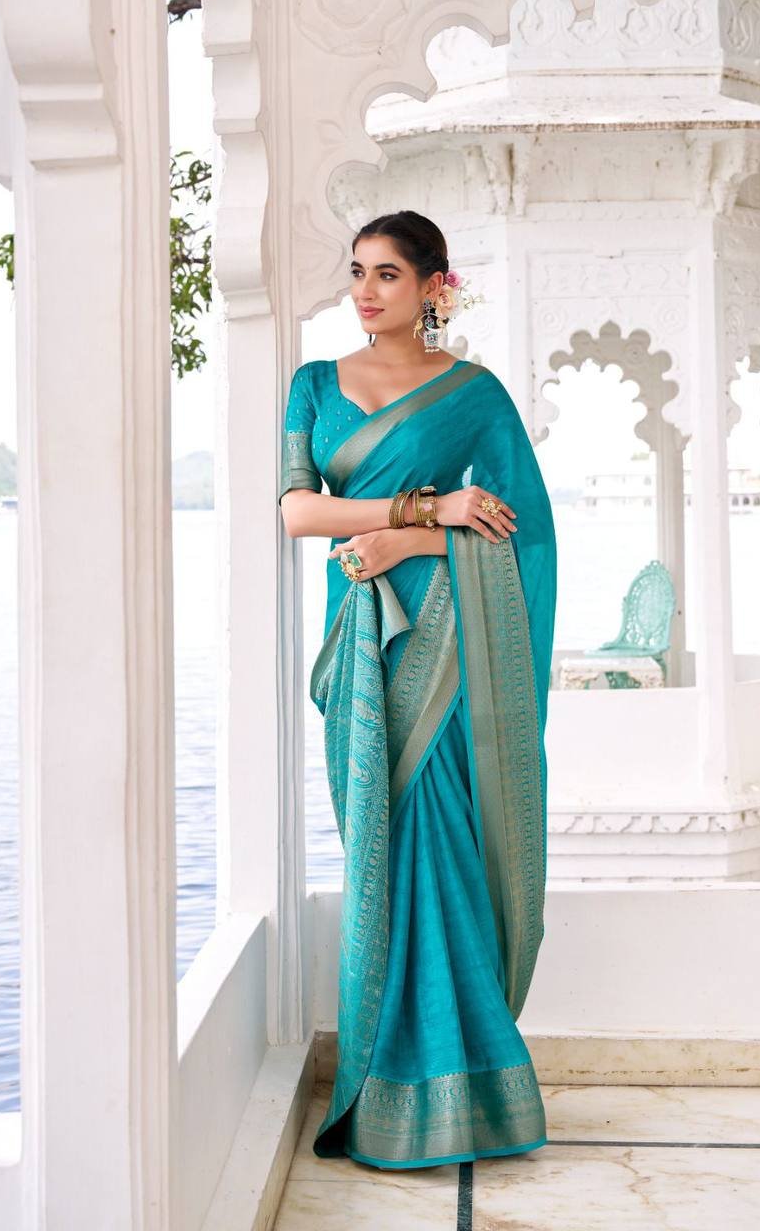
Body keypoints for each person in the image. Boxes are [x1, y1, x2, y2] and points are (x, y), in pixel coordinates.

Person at [278, 209, 557, 1170]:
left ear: (435, 286)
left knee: (430, 840)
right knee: (376, 847)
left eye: (388, 275)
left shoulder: (473, 396)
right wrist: (428, 507)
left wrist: (409, 540)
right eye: (358, 271)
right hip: (359, 645)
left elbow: (523, 536)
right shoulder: (315, 384)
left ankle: (455, 1081)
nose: (365, 291)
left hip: (442, 645)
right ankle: (393, 1079)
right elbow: (299, 512)